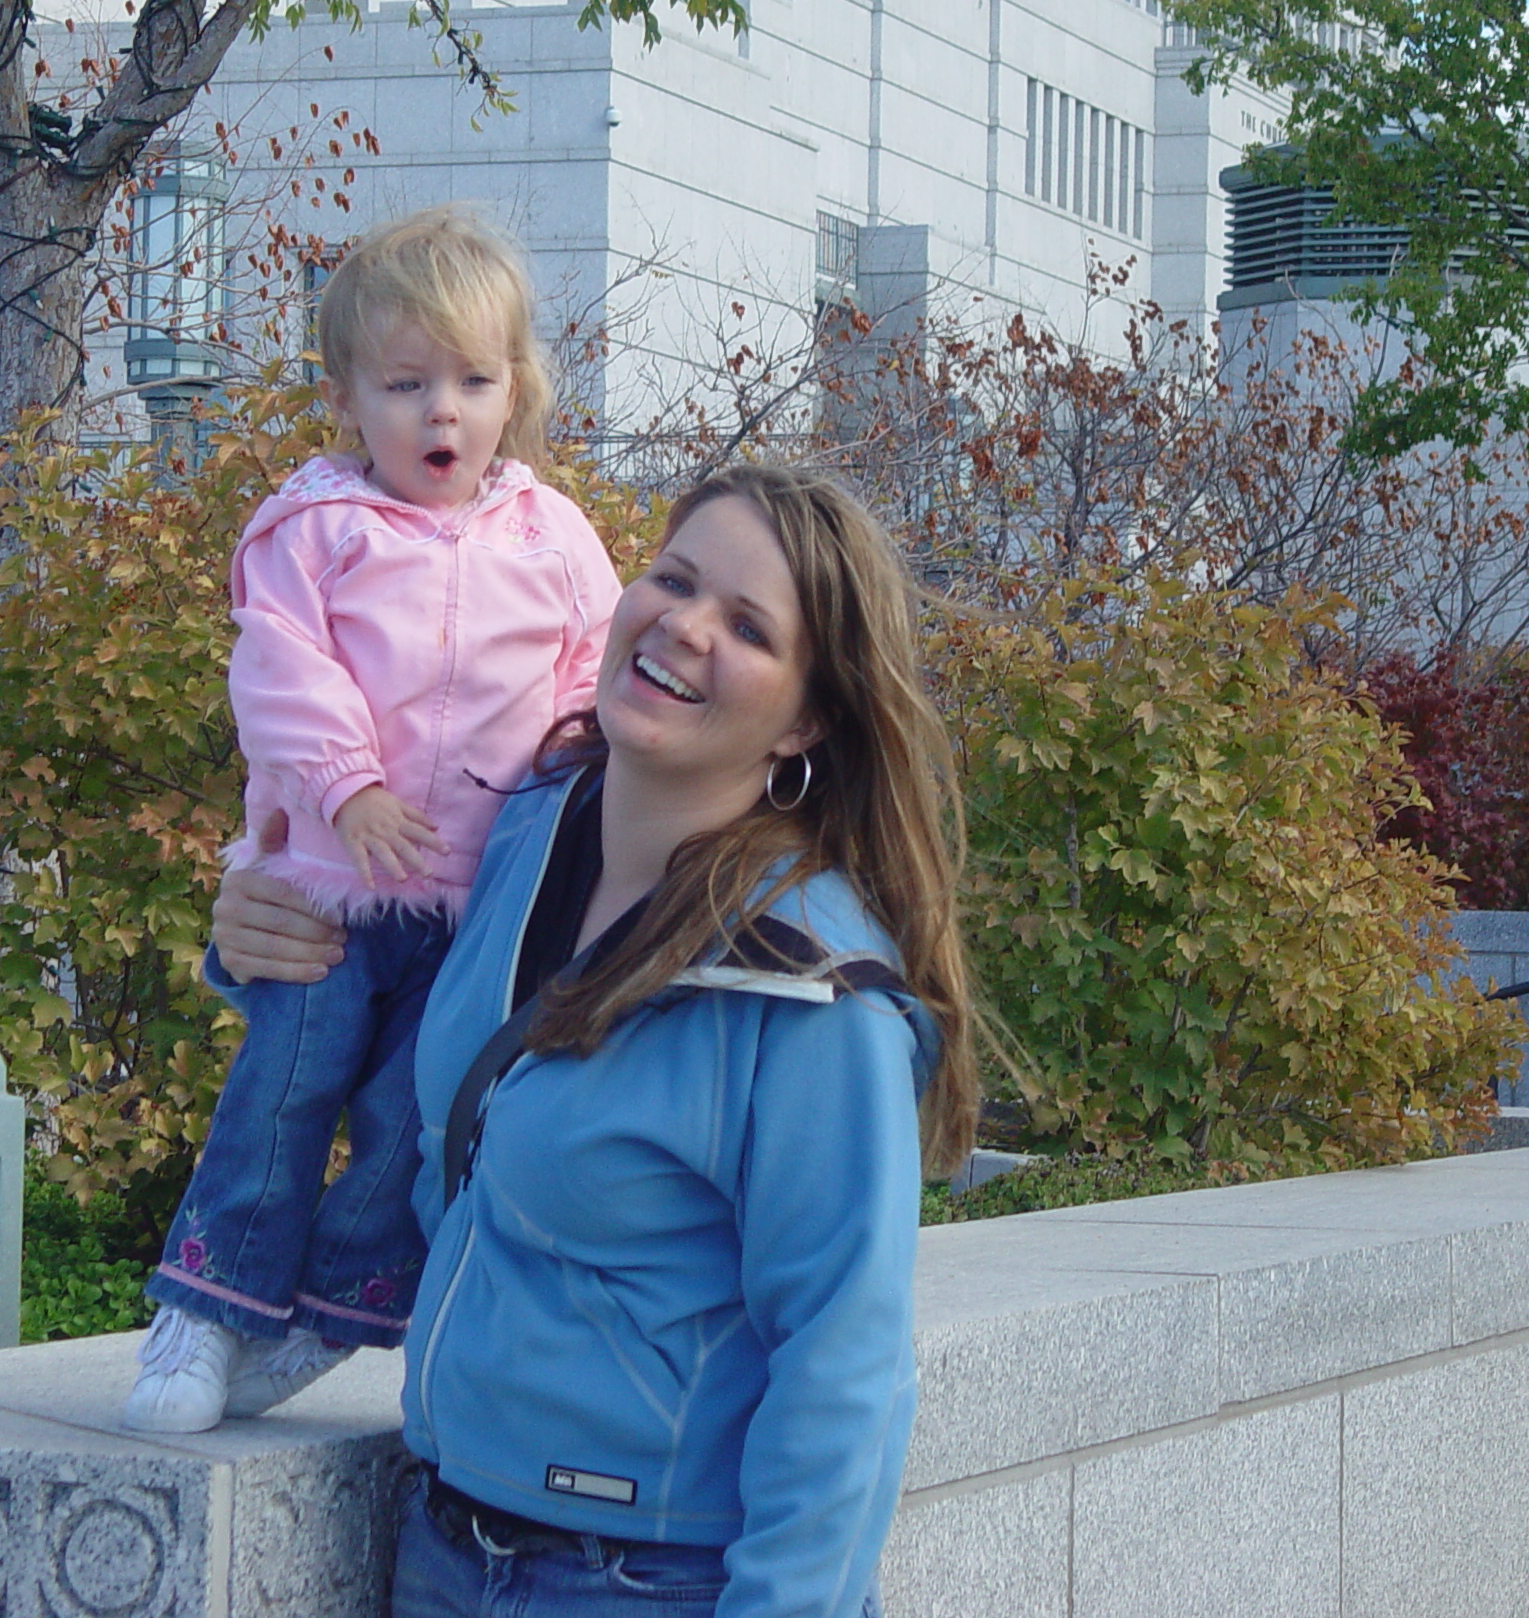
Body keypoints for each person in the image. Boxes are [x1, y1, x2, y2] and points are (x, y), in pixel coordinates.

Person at [209, 464, 978, 1617]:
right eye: (673, 578)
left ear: (809, 716)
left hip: (650, 1579)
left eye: (749, 627)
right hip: (440, 1544)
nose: (684, 626)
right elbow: (377, 978)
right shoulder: (521, 830)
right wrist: (254, 933)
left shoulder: (812, 992)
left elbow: (845, 1364)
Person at [126, 204, 623, 1434]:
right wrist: (346, 786)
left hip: (475, 909)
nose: (439, 412)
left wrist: (564, 805)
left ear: (517, 393)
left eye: (471, 380)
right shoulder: (316, 526)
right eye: (404, 384)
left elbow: (590, 675)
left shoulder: (551, 536)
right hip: (328, 886)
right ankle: (206, 1305)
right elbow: (279, 666)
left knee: (414, 1116)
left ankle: (320, 1314)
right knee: (285, 1089)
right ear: (347, 396)